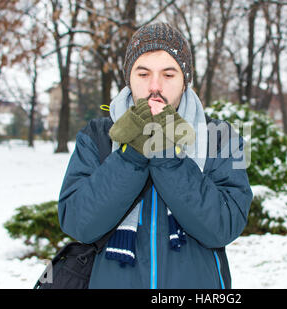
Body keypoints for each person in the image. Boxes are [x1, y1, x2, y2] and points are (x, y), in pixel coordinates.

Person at [57, 22, 253, 289]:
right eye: (143, 74)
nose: (155, 86)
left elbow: (225, 226)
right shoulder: (96, 135)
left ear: (185, 81)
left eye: (169, 75)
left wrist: (165, 153)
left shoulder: (224, 137)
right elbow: (77, 222)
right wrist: (131, 154)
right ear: (129, 79)